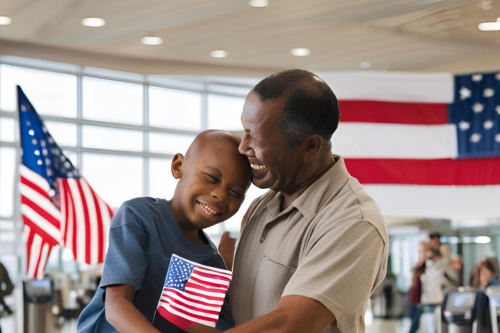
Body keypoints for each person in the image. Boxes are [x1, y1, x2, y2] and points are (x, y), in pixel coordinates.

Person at [217, 69, 388, 333]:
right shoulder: (261, 206)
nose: (243, 147)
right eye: (244, 131)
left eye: (256, 137)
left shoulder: (354, 222)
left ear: (310, 147)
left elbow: (289, 324)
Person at [77, 130, 253, 333]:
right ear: (179, 166)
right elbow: (117, 306)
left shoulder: (213, 263)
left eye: (235, 192)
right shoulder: (139, 217)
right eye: (212, 178)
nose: (220, 195)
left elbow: (196, 327)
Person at [407, 242, 428, 333]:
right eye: (420, 251)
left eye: (423, 251)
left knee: (415, 324)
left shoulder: (429, 265)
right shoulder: (416, 265)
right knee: (412, 322)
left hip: (422, 299)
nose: (421, 253)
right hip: (412, 297)